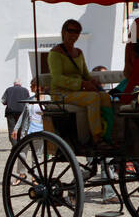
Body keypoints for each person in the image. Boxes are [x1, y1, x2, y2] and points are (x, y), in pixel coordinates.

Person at [48, 18, 114, 146]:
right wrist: (82, 84)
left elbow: (85, 74)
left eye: (77, 31)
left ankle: (108, 133)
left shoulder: (79, 53)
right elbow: (57, 78)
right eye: (71, 30)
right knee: (93, 98)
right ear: (63, 31)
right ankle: (96, 137)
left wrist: (91, 82)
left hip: (78, 92)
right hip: (61, 94)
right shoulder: (55, 53)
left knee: (105, 97)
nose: (74, 34)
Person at [0, 79, 26, 144]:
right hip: (22, 112)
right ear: (20, 84)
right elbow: (28, 102)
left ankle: (14, 145)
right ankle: (20, 145)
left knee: (12, 129)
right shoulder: (25, 90)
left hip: (10, 112)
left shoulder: (8, 89)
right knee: (20, 129)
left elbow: (3, 101)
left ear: (14, 84)